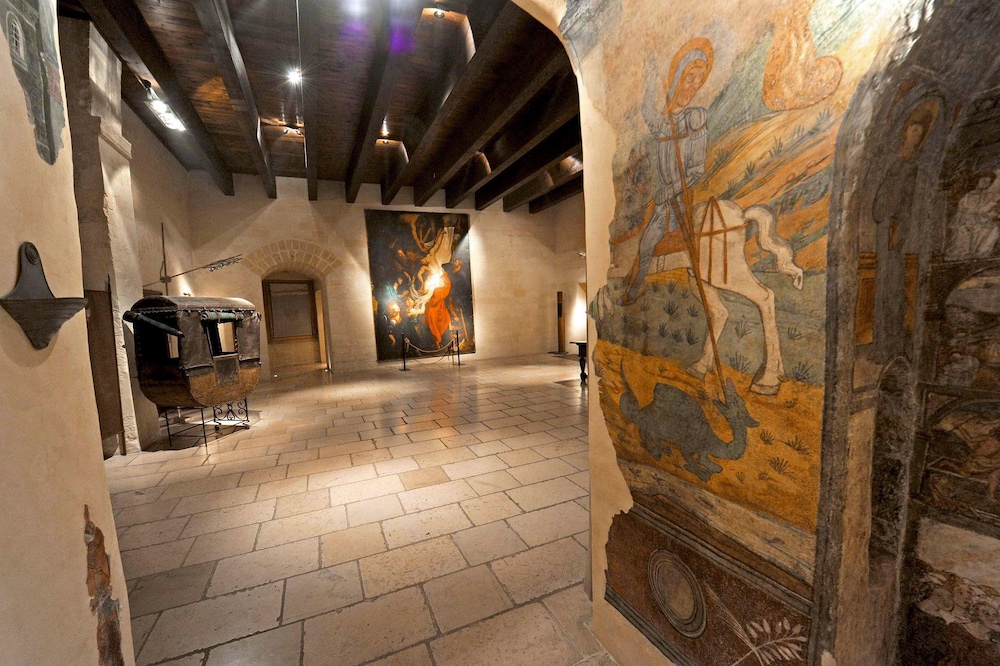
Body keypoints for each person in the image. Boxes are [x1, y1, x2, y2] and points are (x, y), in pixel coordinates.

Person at [623, 38, 712, 304]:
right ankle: (635, 290)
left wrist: (670, 190)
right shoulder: (664, 124)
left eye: (698, 81)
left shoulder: (695, 119)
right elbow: (646, 109)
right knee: (644, 243)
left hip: (679, 201)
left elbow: (696, 170)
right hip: (663, 203)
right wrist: (651, 74)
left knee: (655, 243)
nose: (692, 86)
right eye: (688, 78)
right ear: (676, 79)